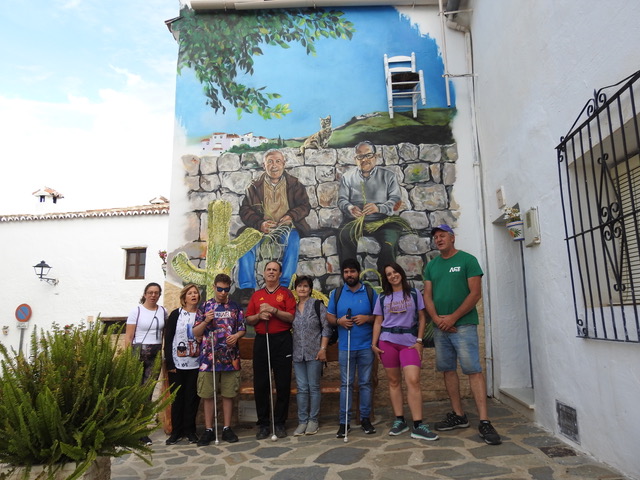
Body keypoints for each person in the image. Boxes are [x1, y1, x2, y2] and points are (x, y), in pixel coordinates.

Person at [423, 224, 502, 445]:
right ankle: (459, 415)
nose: (438, 239)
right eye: (436, 237)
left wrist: (452, 318)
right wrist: (438, 319)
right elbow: (427, 296)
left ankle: (484, 421)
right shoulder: (432, 266)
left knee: (473, 370)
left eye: (442, 236)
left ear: (452, 238)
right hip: (441, 327)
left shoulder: (468, 261)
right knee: (448, 370)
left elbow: (475, 293)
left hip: (463, 325)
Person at [371, 263, 438, 441]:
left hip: (409, 342)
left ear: (401, 273)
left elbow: (422, 317)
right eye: (389, 274)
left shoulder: (414, 294)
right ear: (386, 278)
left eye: (395, 272)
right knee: (394, 382)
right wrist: (374, 343)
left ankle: (418, 424)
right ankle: (399, 420)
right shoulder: (383, 297)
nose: (393, 276)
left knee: (413, 380)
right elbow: (378, 321)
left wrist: (419, 341)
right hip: (387, 342)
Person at [237, 149, 311, 298]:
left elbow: (305, 206)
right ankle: (246, 287)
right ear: (264, 165)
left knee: (294, 239)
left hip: (286, 228)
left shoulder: (295, 185)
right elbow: (245, 211)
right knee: (245, 242)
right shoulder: (254, 187)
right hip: (262, 229)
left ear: (284, 164)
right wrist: (260, 224)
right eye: (270, 162)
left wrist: (291, 216)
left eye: (278, 161)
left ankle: (284, 285)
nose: (274, 165)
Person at [326, 258, 378, 438]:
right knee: (346, 384)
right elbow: (330, 317)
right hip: (345, 347)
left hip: (365, 347)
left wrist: (367, 318)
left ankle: (365, 419)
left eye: (352, 271)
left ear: (358, 272)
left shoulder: (370, 292)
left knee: (365, 383)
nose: (349, 275)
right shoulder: (337, 293)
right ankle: (344, 422)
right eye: (346, 272)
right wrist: (339, 321)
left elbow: (379, 317)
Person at [245, 261, 296, 439]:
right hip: (262, 339)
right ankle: (264, 424)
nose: (271, 272)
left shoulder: (286, 294)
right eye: (269, 269)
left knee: (282, 383)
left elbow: (290, 317)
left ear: (280, 274)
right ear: (264, 273)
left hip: (282, 340)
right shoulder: (257, 295)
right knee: (261, 384)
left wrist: (274, 310)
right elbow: (249, 319)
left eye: (275, 270)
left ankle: (280, 422)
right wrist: (259, 315)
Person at [193, 273, 246, 445]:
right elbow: (196, 333)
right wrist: (205, 321)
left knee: (228, 394)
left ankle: (226, 428)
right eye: (220, 289)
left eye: (226, 289)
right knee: (208, 395)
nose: (223, 292)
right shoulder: (205, 306)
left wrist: (237, 336)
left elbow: (242, 328)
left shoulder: (235, 307)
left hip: (230, 358)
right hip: (209, 358)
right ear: (214, 287)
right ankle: (209, 429)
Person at [337, 141, 403, 272]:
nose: (364, 160)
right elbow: (342, 200)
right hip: (355, 221)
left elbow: (396, 201)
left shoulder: (389, 176)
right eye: (360, 156)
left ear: (376, 157)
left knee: (389, 244)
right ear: (355, 159)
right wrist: (350, 208)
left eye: (368, 155)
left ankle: (386, 279)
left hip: (385, 222)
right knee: (343, 236)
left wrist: (379, 208)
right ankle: (351, 278)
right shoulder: (347, 177)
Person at [125, 282, 168, 446]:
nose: (153, 295)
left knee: (148, 390)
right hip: (138, 351)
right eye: (150, 292)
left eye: (156, 292)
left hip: (155, 352)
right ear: (144, 294)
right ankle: (132, 428)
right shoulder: (136, 311)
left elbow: (164, 334)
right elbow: (128, 337)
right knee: (136, 390)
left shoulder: (163, 311)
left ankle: (142, 430)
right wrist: (128, 358)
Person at [291, 275, 332, 436]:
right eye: (299, 286)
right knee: (301, 388)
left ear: (310, 289)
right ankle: (302, 421)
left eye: (305, 286)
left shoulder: (317, 305)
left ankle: (313, 420)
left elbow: (326, 328)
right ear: (296, 289)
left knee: (313, 387)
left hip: (314, 352)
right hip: (297, 354)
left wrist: (323, 348)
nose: (302, 289)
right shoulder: (292, 308)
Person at [164, 283, 202, 445]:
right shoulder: (175, 314)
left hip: (197, 363)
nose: (193, 295)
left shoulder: (202, 315)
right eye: (190, 293)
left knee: (192, 398)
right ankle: (176, 431)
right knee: (177, 398)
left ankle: (190, 430)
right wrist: (169, 362)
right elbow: (169, 338)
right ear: (184, 297)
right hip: (177, 363)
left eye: (196, 293)